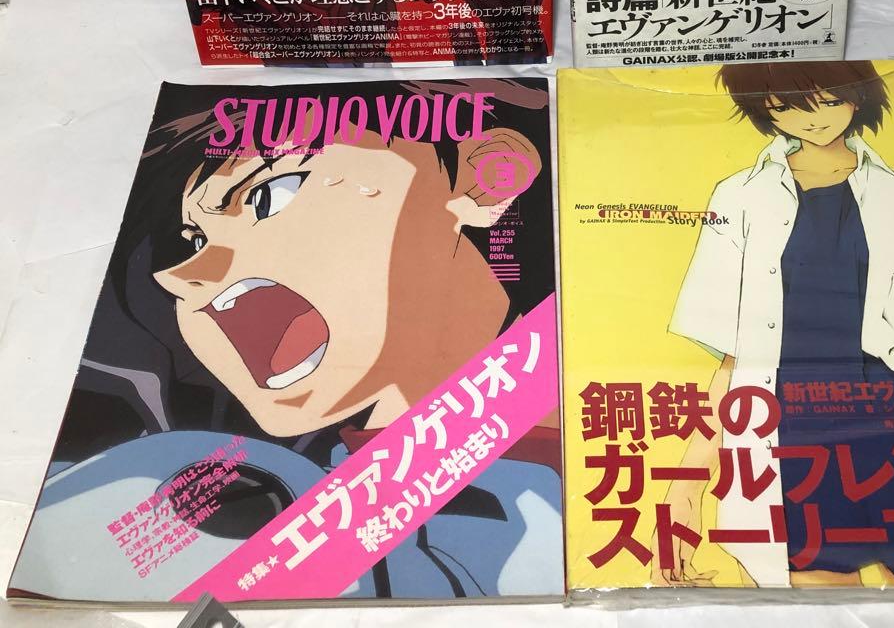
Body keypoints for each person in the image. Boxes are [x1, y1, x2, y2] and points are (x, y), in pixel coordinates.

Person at [11, 80, 562, 601]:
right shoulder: (275, 486)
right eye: (195, 238)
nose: (178, 275)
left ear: (489, 177)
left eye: (269, 195)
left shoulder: (567, 441)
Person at [654, 60, 894, 588]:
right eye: (787, 105)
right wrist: (686, 485)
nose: (813, 117)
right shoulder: (738, 197)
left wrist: (893, 373)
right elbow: (735, 360)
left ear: (861, 95)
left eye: (831, 99)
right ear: (763, 108)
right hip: (787, 446)